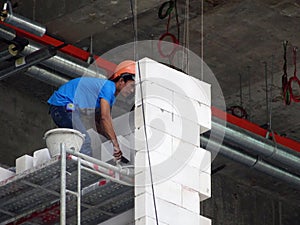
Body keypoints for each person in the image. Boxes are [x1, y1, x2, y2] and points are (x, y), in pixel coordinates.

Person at [47, 60, 135, 160]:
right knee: (85, 140)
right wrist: (115, 143)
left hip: (64, 108)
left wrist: (110, 140)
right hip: (63, 106)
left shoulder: (110, 97)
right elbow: (104, 118)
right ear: (121, 81)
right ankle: (84, 170)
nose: (132, 91)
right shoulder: (108, 87)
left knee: (79, 140)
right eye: (131, 86)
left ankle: (75, 164)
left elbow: (96, 122)